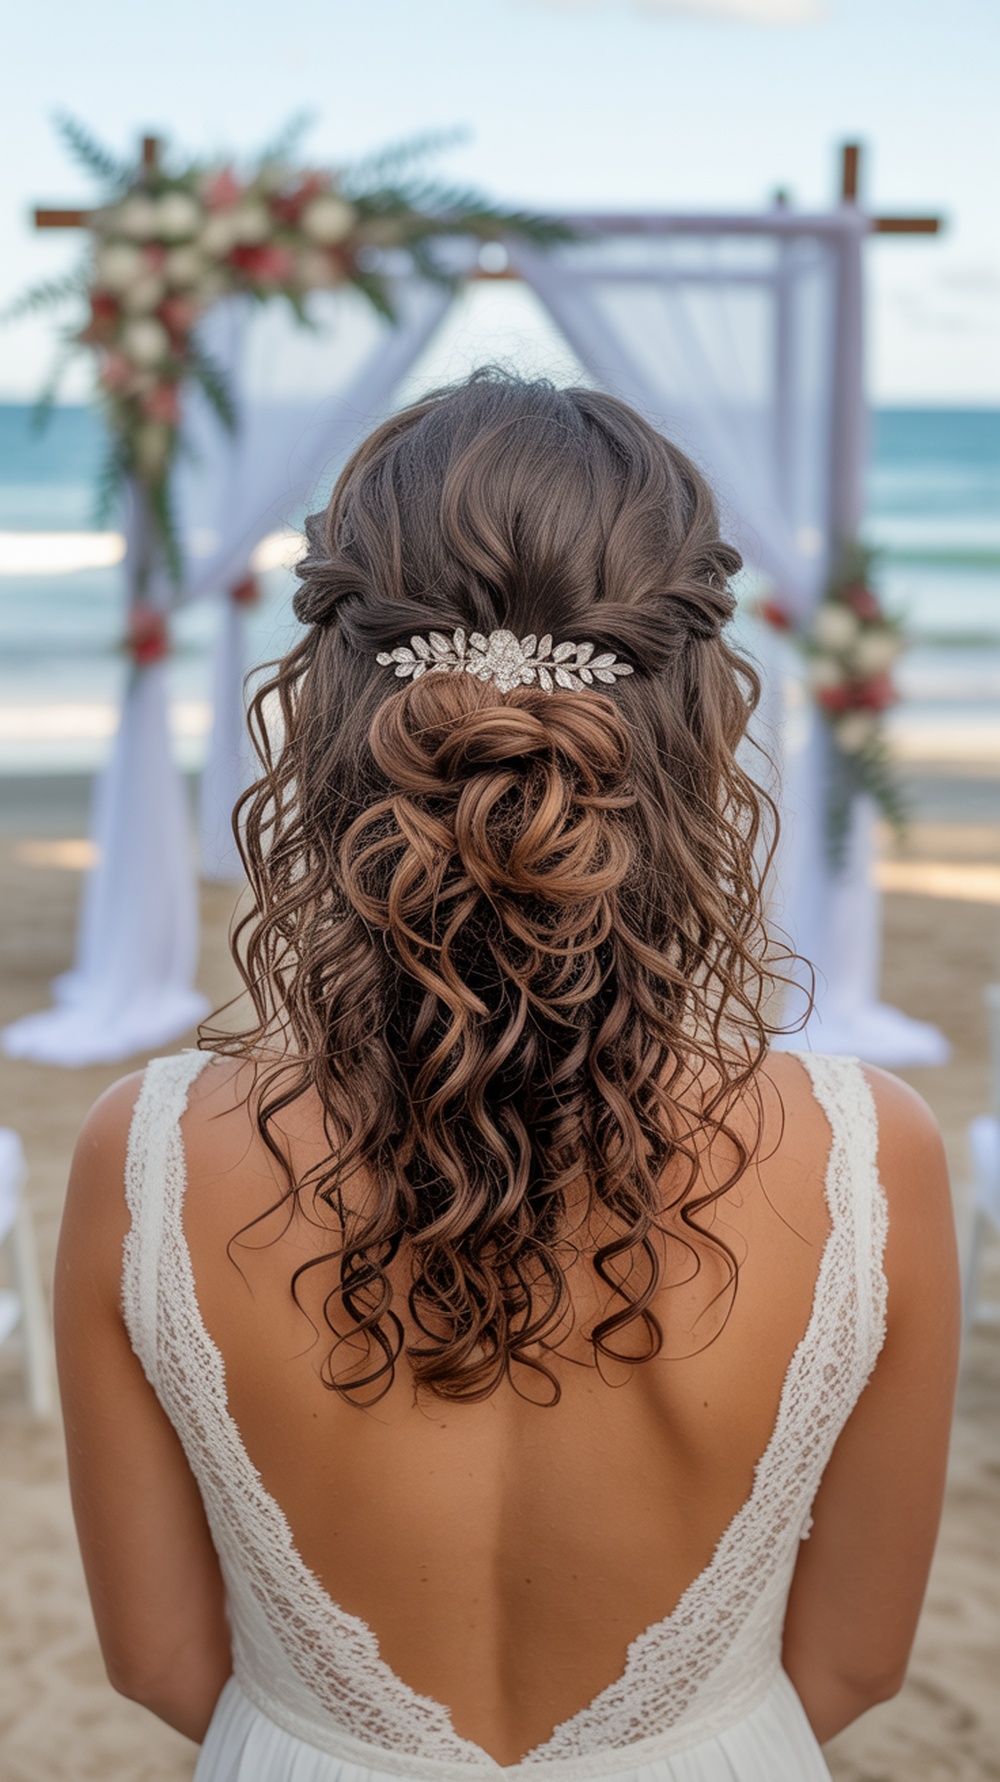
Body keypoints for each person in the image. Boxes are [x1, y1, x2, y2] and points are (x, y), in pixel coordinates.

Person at [56, 372, 959, 1782]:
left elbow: (161, 1660)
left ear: (332, 716)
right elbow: (854, 1662)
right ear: (699, 728)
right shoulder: (871, 1151)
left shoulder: (148, 1150)